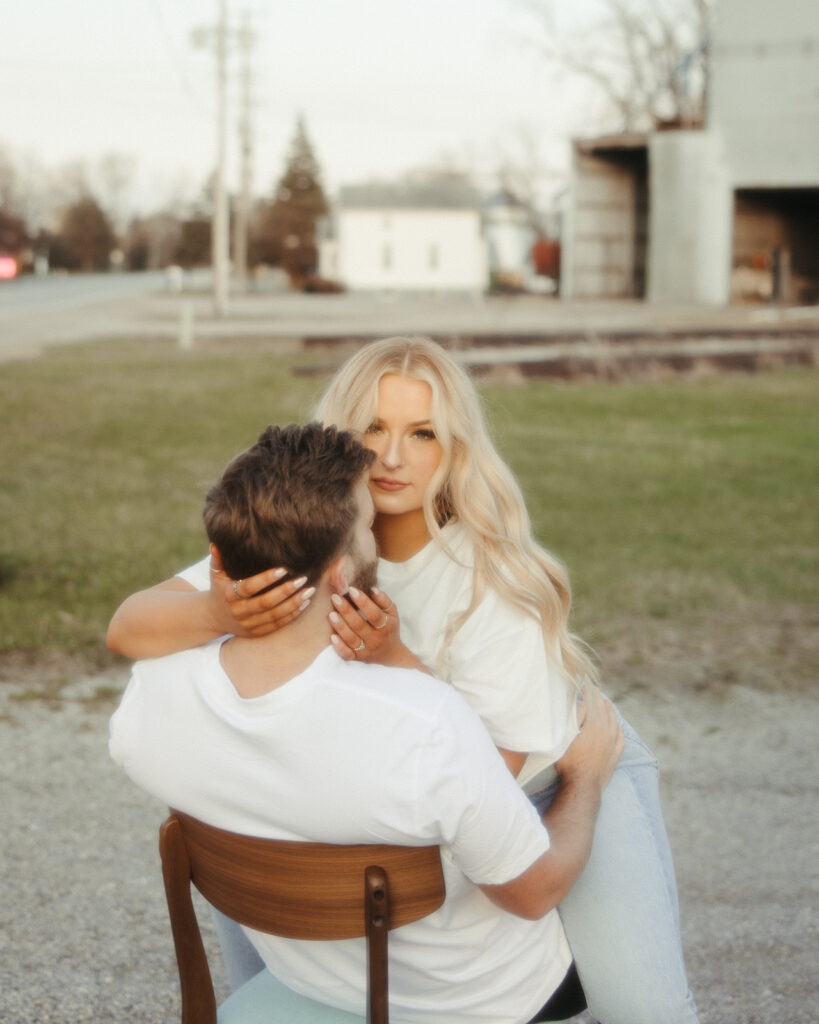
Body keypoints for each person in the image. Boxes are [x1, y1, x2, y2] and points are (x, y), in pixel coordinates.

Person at [107, 338, 700, 1024]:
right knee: (268, 877)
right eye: (374, 429)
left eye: (422, 434)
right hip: (435, 779)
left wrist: (394, 661)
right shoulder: (308, 538)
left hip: (555, 768)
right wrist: (216, 608)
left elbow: (479, 777)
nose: (392, 458)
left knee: (641, 1007)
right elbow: (130, 626)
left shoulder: (493, 585)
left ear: (453, 451)